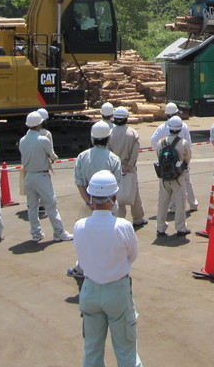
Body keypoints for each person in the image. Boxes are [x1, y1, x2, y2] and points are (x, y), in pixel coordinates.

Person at [74, 170, 142, 367]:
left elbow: (81, 255)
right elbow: (132, 255)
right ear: (114, 197)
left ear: (91, 199)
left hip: (90, 290)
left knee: (92, 349)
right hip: (117, 291)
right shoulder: (123, 226)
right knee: (126, 349)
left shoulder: (80, 226)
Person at [68, 120, 123, 278]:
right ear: (108, 138)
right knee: (109, 240)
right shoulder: (114, 159)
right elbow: (116, 185)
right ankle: (107, 269)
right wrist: (109, 203)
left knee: (87, 240)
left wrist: (89, 201)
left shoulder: (82, 156)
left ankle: (81, 268)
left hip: (89, 203)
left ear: (92, 138)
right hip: (110, 205)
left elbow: (79, 182)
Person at [18, 111, 72, 242]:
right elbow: (52, 156)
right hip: (41, 176)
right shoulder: (43, 139)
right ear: (40, 124)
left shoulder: (22, 140)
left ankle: (36, 233)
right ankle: (59, 232)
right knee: (51, 205)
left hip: (29, 176)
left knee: (32, 206)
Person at [150, 103, 198, 212]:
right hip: (181, 160)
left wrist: (161, 154)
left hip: (167, 161)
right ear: (176, 113)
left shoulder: (162, 127)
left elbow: (153, 141)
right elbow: (189, 145)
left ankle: (172, 206)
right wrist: (186, 160)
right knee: (186, 182)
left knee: (168, 183)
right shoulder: (183, 126)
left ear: (166, 114)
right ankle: (193, 203)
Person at [108, 106, 148, 226]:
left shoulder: (110, 134)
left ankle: (119, 219)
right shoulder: (132, 133)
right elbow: (135, 152)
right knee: (134, 193)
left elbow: (108, 152)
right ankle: (138, 218)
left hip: (114, 168)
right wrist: (129, 165)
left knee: (117, 194)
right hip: (129, 168)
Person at [155, 116, 191, 237]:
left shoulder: (161, 142)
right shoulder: (183, 143)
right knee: (180, 202)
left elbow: (157, 155)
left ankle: (160, 227)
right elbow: (187, 159)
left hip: (164, 177)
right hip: (178, 177)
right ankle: (181, 227)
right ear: (180, 129)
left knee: (163, 202)